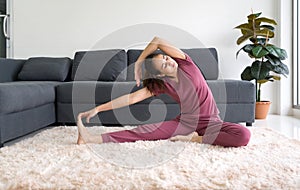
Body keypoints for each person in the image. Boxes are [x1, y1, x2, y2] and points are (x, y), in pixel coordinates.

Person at [76, 36, 251, 147]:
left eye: (166, 58)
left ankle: (195, 139)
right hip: (184, 124)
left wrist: (139, 62)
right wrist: (98, 109)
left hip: (211, 121)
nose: (169, 61)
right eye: (164, 64)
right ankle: (91, 139)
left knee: (243, 135)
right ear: (159, 74)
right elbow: (131, 98)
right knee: (144, 132)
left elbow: (158, 40)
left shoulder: (186, 64)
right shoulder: (162, 84)